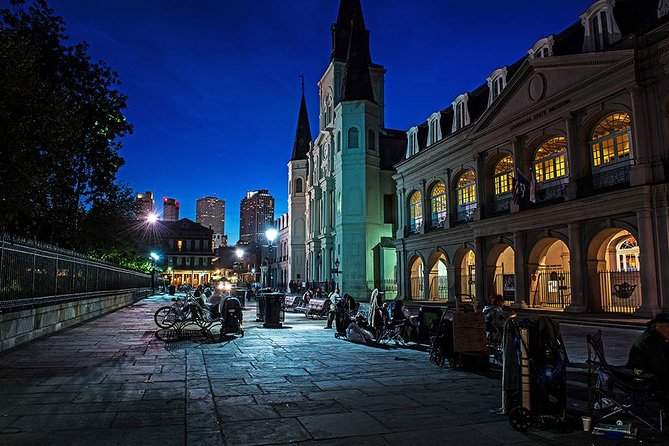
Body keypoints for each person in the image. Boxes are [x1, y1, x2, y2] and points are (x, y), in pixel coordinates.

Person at [626, 313, 669, 401]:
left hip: (652, 373)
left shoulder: (658, 336)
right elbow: (659, 366)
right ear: (658, 326)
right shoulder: (650, 341)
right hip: (645, 377)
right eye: (668, 327)